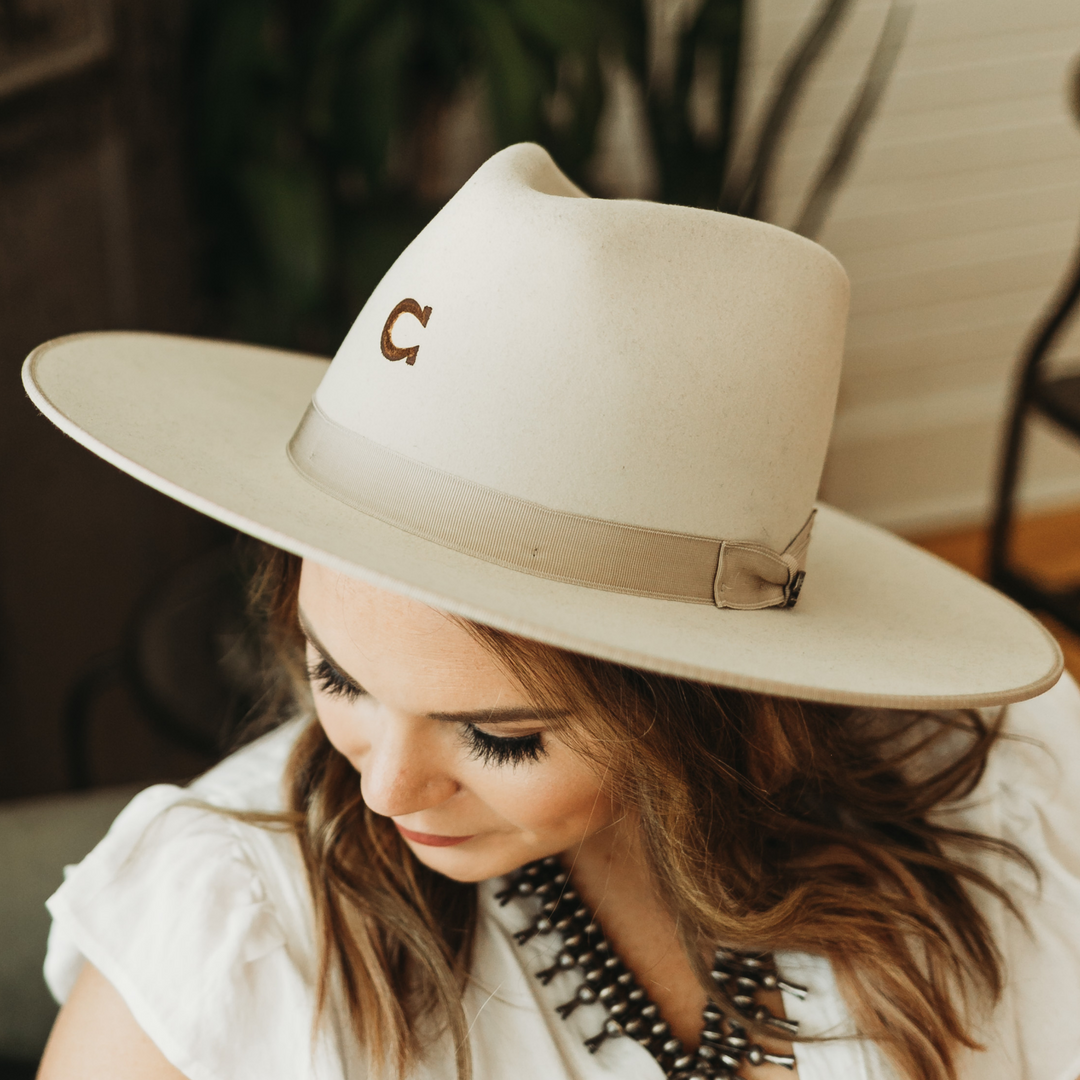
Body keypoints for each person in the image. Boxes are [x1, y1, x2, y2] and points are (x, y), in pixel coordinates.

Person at [23, 144, 1080, 1080]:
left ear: (706, 698)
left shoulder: (1003, 787)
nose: (385, 788)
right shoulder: (228, 936)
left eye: (499, 736)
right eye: (337, 675)